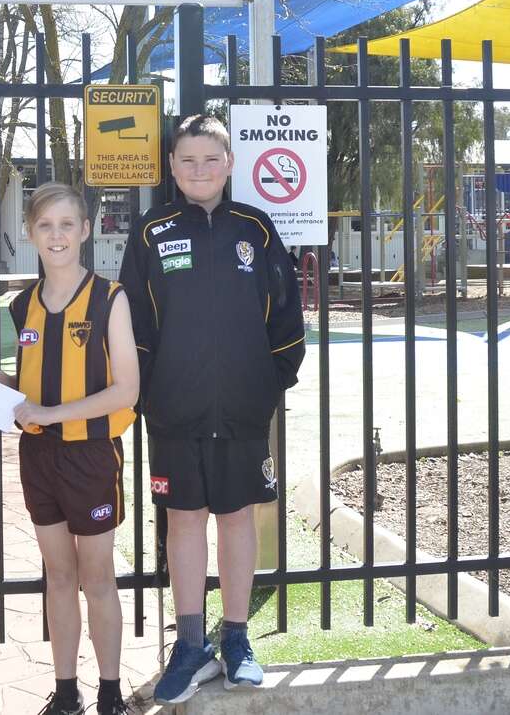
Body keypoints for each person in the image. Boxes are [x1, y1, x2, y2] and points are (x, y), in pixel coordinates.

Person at [120, 114, 304, 703]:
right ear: (171, 167)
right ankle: (191, 642)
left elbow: (287, 315)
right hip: (175, 410)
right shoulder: (151, 232)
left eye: (210, 159)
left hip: (244, 410)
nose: (199, 170)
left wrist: (269, 381)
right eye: (187, 160)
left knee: (237, 517)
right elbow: (136, 326)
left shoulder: (257, 227)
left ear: (229, 164)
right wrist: (149, 392)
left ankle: (236, 638)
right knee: (184, 519)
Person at [0, 183, 138, 715]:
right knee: (59, 577)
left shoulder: (110, 298)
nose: (57, 235)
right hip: (39, 458)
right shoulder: (22, 303)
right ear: (30, 233)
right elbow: (37, 388)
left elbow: (125, 391)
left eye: (67, 224)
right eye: (45, 225)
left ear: (86, 230)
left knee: (96, 577)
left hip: (91, 457)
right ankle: (66, 693)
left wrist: (48, 414)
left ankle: (110, 694)